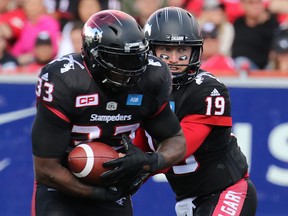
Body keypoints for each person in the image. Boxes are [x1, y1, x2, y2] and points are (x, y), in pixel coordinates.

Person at [31, 9, 186, 216]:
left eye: (135, 58)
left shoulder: (152, 76)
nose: (130, 69)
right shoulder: (65, 80)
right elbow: (45, 169)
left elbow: (175, 138)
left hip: (112, 185)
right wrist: (99, 194)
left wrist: (151, 161)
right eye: (120, 60)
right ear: (93, 55)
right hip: (59, 185)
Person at [134, 6, 257, 216]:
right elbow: (139, 144)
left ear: (194, 51)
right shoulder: (142, 89)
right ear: (150, 50)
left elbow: (180, 147)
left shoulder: (207, 89)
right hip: (188, 201)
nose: (173, 58)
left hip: (227, 191)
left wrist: (139, 164)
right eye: (165, 49)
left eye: (182, 50)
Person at [231, 0, 279, 71]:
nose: (256, 6)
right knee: (241, 62)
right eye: (251, 3)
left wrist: (262, 22)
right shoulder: (238, 23)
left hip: (267, 67)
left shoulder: (271, 23)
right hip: (246, 68)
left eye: (258, 3)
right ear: (243, 6)